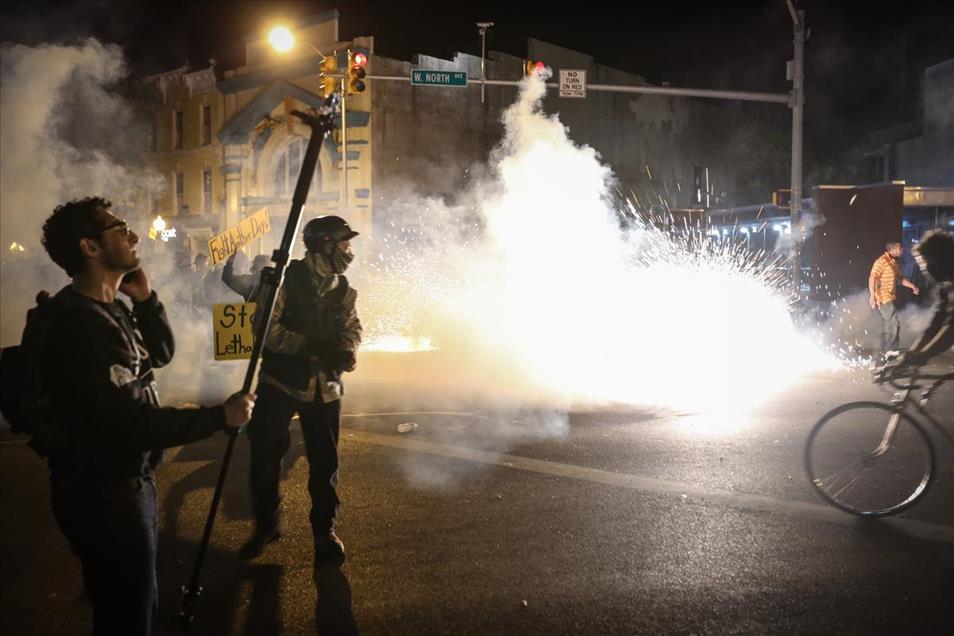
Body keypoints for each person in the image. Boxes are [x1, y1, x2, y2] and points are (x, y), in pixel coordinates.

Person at [38, 197, 256, 635]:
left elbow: (159, 354)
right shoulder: (83, 327)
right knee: (129, 616)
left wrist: (145, 298)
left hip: (119, 488)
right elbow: (132, 425)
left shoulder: (108, 307)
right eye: (119, 228)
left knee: (134, 606)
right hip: (107, 497)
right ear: (91, 248)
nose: (133, 235)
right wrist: (219, 417)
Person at [240, 215, 362, 564]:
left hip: (326, 387)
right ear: (325, 244)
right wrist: (308, 345)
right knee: (265, 451)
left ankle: (324, 532)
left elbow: (353, 327)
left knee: (325, 463)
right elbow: (263, 329)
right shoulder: (284, 282)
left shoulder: (343, 289)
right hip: (281, 381)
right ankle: (266, 524)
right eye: (345, 244)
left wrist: (347, 350)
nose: (349, 252)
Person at [884, 230, 954, 374]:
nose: (925, 271)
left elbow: (951, 331)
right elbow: (935, 325)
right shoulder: (945, 285)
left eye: (927, 265)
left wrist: (921, 356)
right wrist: (912, 354)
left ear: (942, 260)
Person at [869, 240, 920, 359]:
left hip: (889, 297)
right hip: (882, 296)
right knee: (894, 322)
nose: (902, 250)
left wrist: (913, 286)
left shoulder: (893, 263)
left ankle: (884, 350)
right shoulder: (881, 261)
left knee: (889, 323)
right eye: (899, 248)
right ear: (891, 250)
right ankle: (889, 349)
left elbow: (900, 279)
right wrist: (872, 295)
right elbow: (872, 277)